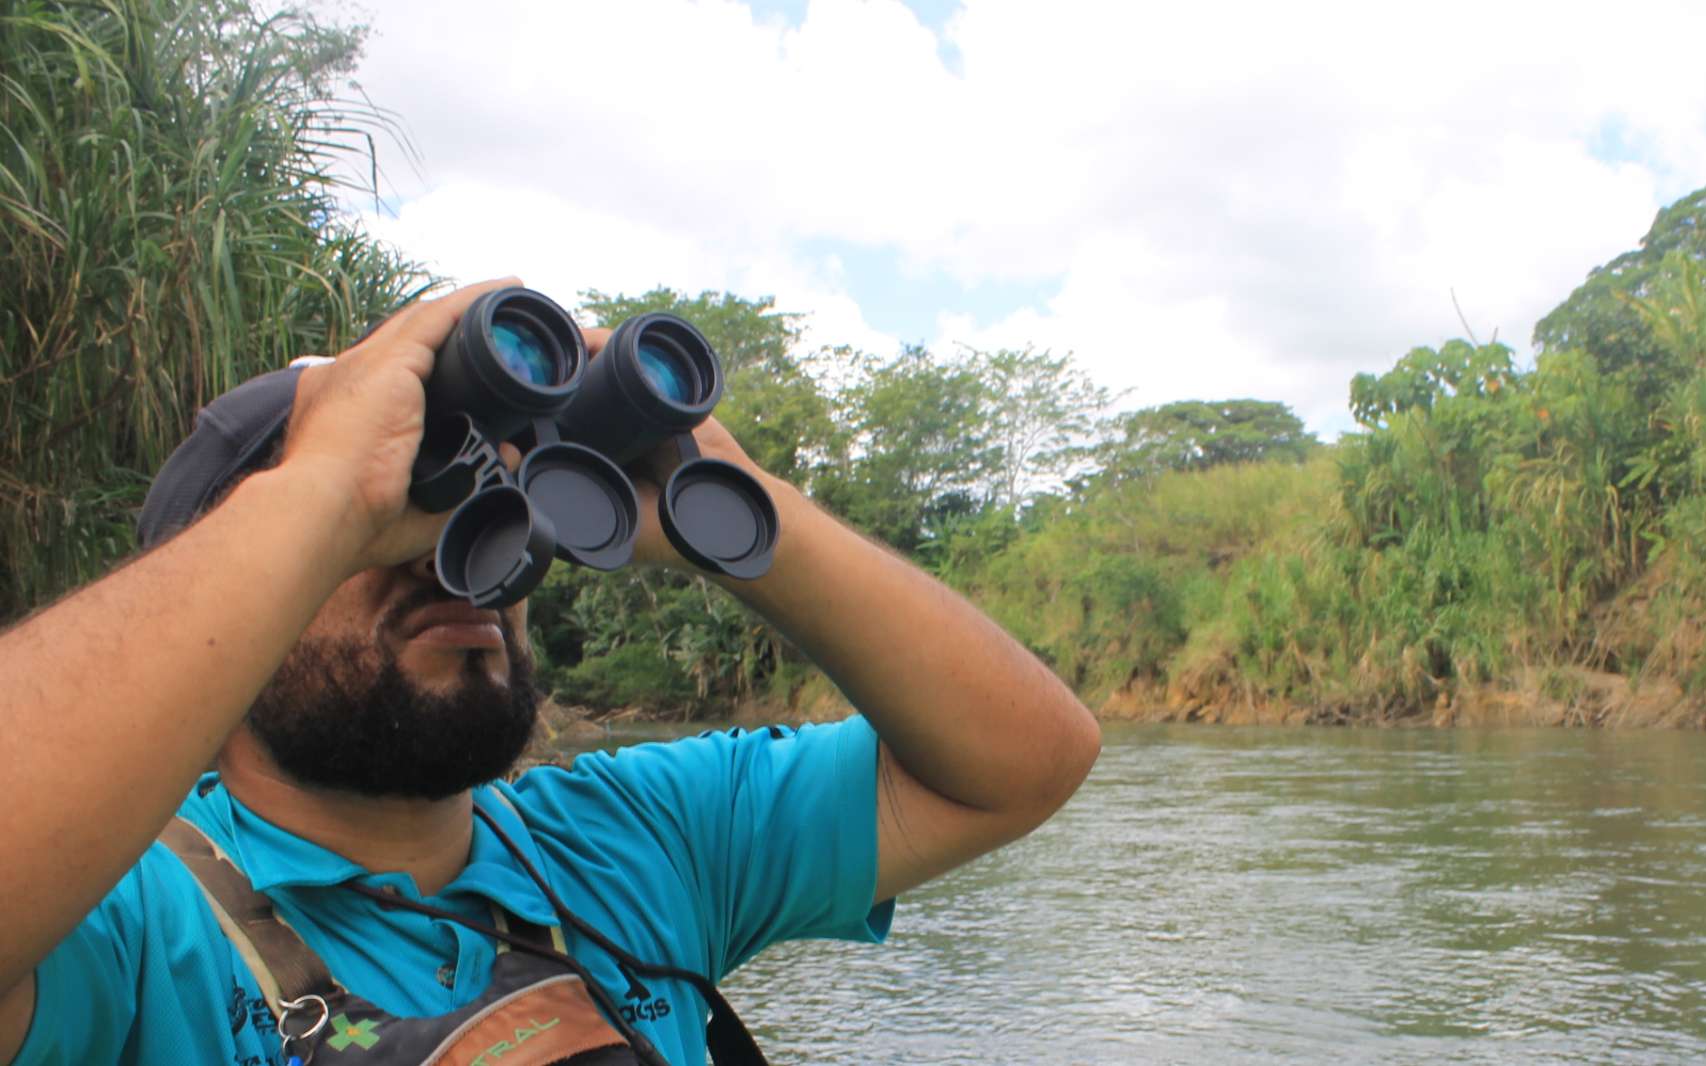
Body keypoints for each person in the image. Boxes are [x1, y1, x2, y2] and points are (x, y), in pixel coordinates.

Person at [0, 278, 1102, 1065]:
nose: (455, 559)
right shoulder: (129, 919)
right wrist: (322, 492)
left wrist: (724, 495)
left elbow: (1024, 758)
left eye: (484, 512)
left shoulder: (624, 837)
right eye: (386, 525)